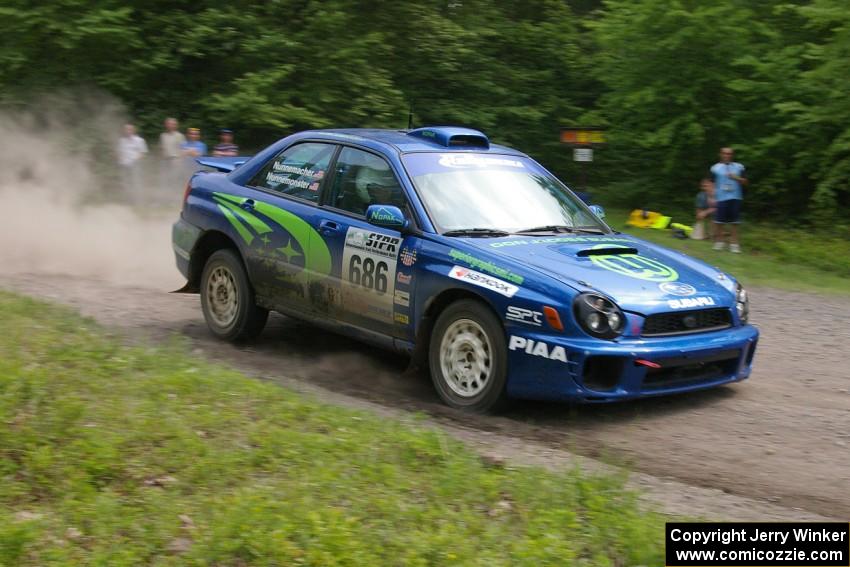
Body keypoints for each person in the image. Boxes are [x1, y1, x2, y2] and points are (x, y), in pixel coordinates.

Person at [710, 147, 747, 253]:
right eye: (725, 153)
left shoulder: (739, 167)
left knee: (735, 222)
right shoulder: (715, 168)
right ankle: (720, 242)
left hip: (735, 196)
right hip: (721, 197)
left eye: (729, 154)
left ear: (732, 155)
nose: (727, 155)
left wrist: (736, 177)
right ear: (721, 154)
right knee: (719, 221)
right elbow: (711, 182)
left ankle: (734, 244)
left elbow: (745, 182)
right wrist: (712, 196)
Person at [117, 123, 148, 200]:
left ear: (133, 130)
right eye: (126, 129)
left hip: (135, 166)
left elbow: (143, 153)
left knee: (136, 183)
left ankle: (138, 199)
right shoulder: (121, 141)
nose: (128, 131)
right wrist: (120, 160)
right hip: (124, 166)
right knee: (126, 183)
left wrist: (135, 160)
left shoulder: (139, 140)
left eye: (129, 129)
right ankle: (128, 199)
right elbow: (119, 153)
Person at [159, 117, 186, 190]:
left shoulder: (180, 136)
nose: (170, 125)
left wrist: (180, 161)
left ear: (175, 125)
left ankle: (175, 194)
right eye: (168, 124)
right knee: (165, 178)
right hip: (165, 161)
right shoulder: (163, 135)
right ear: (166, 125)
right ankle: (166, 194)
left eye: (172, 124)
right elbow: (162, 149)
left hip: (175, 160)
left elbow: (183, 149)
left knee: (175, 179)